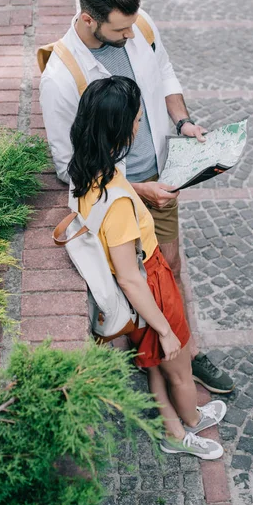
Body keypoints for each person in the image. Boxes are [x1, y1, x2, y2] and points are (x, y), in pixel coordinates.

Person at [40, 0, 234, 394]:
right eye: (120, 29)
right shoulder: (59, 78)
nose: (131, 35)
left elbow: (163, 72)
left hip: (161, 178)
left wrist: (183, 123)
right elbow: (66, 163)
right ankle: (145, 361)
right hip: (114, 198)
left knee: (170, 268)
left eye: (132, 26)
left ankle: (185, 349)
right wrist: (135, 189)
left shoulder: (138, 24)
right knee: (125, 280)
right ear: (89, 19)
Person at [68, 75, 227, 458]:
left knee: (154, 364)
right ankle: (189, 421)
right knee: (177, 364)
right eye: (138, 120)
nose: (141, 125)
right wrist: (165, 329)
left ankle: (176, 426)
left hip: (146, 281)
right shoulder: (118, 202)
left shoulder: (92, 169)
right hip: (150, 282)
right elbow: (129, 277)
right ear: (122, 130)